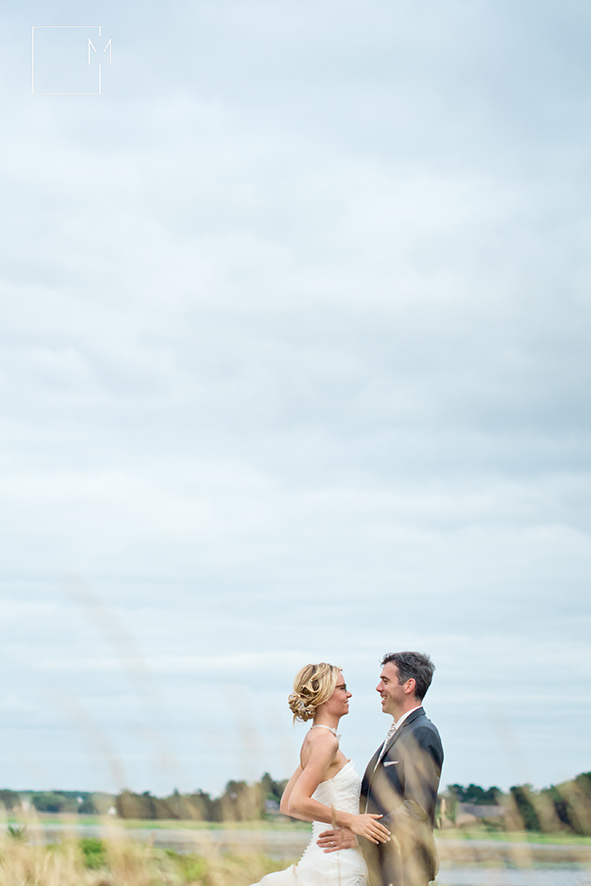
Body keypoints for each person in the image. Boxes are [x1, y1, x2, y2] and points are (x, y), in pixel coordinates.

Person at [248, 662, 390, 886]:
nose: (349, 693)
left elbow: (285, 804)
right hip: (336, 866)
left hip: (328, 854)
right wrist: (352, 820)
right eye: (342, 688)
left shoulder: (313, 740)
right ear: (324, 697)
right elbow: (296, 803)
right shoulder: (325, 742)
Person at [317, 652, 443, 886]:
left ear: (409, 685)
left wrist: (359, 834)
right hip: (381, 868)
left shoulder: (422, 733)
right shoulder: (401, 732)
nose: (378, 688)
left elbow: (417, 808)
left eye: (385, 681)